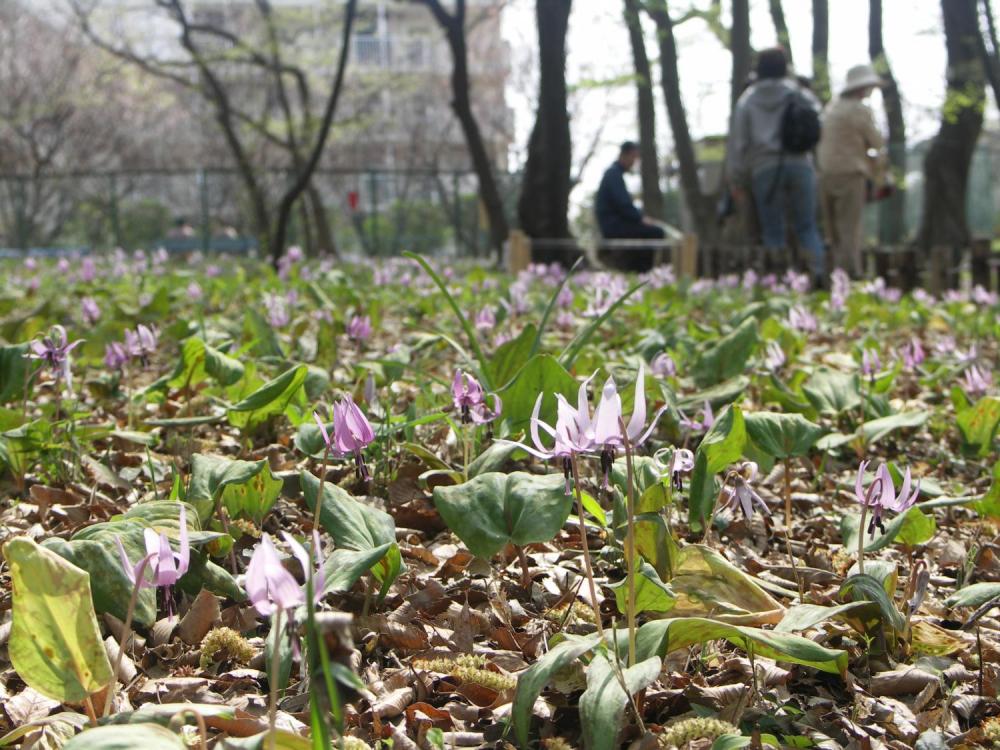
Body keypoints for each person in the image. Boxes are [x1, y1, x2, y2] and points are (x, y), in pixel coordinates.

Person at [727, 47, 825, 283]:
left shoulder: (748, 99)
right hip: (801, 163)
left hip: (764, 168)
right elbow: (818, 118)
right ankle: (818, 273)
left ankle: (779, 279)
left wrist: (737, 178)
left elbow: (738, 142)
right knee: (806, 226)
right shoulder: (798, 93)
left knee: (773, 230)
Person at [817, 64, 887, 278]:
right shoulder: (859, 109)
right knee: (850, 228)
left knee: (833, 232)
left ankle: (834, 274)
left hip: (825, 173)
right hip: (851, 173)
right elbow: (877, 141)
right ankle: (851, 275)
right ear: (862, 88)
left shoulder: (830, 108)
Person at [595, 141, 665, 272]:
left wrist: (639, 216)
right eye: (633, 157)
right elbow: (623, 205)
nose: (634, 161)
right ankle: (642, 272)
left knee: (651, 231)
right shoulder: (613, 175)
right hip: (613, 226)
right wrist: (640, 218)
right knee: (655, 232)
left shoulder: (614, 174)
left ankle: (636, 269)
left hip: (615, 223)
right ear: (624, 155)